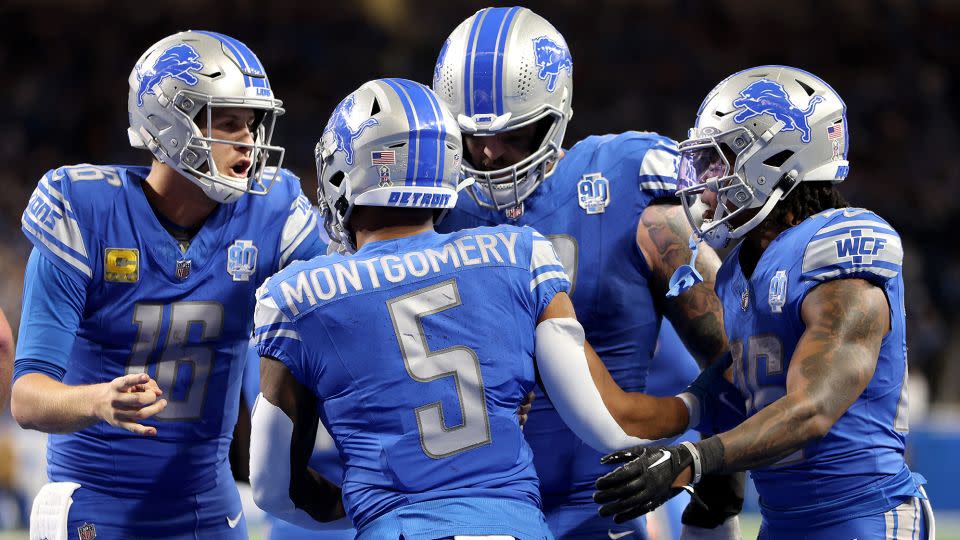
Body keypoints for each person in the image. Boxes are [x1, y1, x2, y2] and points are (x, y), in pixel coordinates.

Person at [248, 77, 688, 539]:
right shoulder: (520, 253)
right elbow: (611, 425)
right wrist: (699, 408)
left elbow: (272, 489)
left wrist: (363, 501)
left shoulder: (297, 294)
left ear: (345, 171)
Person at [431, 7, 740, 538]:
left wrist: (716, 465)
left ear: (555, 115)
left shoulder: (625, 185)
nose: (486, 151)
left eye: (514, 133)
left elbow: (729, 348)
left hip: (605, 510)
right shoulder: (431, 206)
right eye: (469, 134)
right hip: (469, 507)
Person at [593, 65, 934, 539]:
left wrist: (693, 459)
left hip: (861, 517)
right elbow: (734, 389)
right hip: (781, 523)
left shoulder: (840, 245)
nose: (707, 181)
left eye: (722, 160)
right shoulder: (738, 270)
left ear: (780, 158)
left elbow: (811, 407)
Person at [12, 30, 325, 539]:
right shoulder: (85, 211)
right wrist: (97, 401)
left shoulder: (272, 209)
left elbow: (338, 311)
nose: (247, 140)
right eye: (228, 123)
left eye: (251, 124)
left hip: (208, 503)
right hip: (93, 499)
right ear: (172, 125)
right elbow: (27, 399)